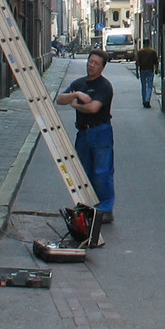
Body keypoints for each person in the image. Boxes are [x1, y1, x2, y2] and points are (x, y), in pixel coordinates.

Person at [56, 50, 115, 222]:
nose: (91, 65)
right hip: (83, 132)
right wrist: (75, 95)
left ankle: (105, 209)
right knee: (82, 171)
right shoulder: (79, 84)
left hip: (101, 131)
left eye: (96, 63)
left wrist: (74, 105)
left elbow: (93, 108)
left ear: (102, 67)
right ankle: (86, 206)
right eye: (90, 61)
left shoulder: (104, 86)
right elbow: (60, 99)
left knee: (102, 172)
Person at [135, 41, 159, 108]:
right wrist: (156, 69)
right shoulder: (152, 51)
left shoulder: (140, 52)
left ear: (143, 44)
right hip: (150, 70)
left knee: (143, 86)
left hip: (142, 70)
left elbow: (137, 62)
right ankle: (147, 100)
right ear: (149, 43)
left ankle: (144, 100)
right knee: (149, 86)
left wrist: (137, 72)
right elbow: (156, 62)